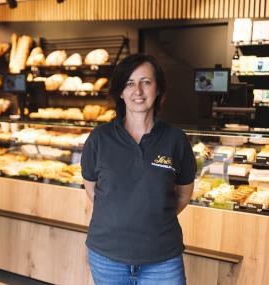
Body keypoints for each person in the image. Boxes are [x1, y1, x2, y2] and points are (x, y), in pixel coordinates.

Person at [81, 54, 195, 285]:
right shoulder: (99, 138)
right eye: (129, 83)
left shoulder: (175, 139)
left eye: (146, 82)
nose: (138, 91)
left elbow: (184, 194)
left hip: (163, 258)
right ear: (120, 92)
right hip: (107, 257)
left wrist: (153, 217)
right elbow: (93, 191)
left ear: (159, 89)